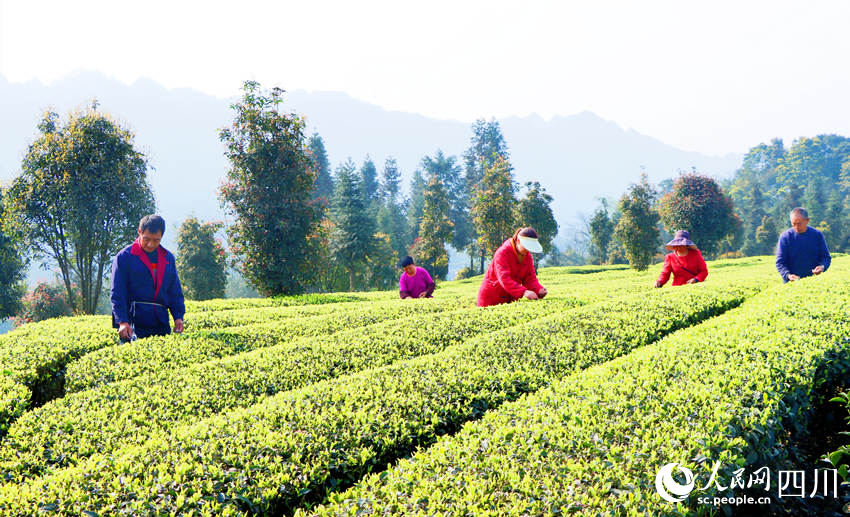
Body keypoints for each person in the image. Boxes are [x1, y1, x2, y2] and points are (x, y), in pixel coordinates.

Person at [111, 215, 185, 342]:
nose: (150, 244)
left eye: (156, 240)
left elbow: (174, 291)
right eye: (146, 239)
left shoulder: (168, 258)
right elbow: (117, 292)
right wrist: (122, 321)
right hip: (133, 322)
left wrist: (178, 317)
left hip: (160, 322)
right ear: (139, 232)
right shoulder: (124, 257)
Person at [477, 227, 547, 307]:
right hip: (491, 298)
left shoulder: (527, 257)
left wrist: (539, 289)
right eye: (526, 247)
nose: (527, 250)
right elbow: (504, 278)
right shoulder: (502, 253)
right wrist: (524, 292)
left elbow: (530, 278)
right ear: (518, 241)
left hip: (509, 299)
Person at [776, 207, 831, 283]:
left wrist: (822, 267)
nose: (796, 227)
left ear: (807, 221)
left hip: (814, 281)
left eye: (799, 224)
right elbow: (780, 262)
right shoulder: (785, 237)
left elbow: (825, 257)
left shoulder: (817, 235)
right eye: (793, 224)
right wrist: (788, 275)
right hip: (791, 282)